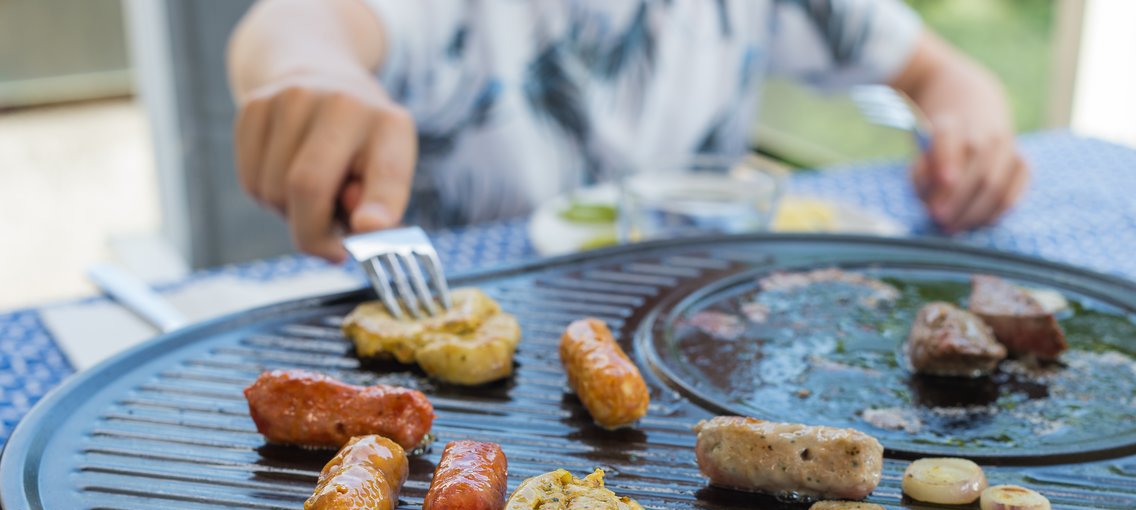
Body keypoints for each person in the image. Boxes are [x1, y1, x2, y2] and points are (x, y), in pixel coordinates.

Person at [228, 0, 1028, 261]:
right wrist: (316, 76)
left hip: (707, 336)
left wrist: (972, 125)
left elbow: (942, 73)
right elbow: (295, 25)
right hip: (484, 363)